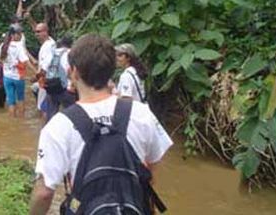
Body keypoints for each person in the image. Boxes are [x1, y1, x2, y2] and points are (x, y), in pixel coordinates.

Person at [29, 34, 172, 215]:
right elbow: (150, 169)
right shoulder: (142, 113)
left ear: (74, 72)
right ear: (111, 70)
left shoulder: (59, 125)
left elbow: (44, 192)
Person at [0, 24, 36, 117]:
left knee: (11, 102)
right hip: (18, 77)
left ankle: (12, 121)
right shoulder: (19, 46)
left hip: (7, 77)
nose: (20, 36)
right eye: (18, 34)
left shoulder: (4, 45)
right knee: (21, 99)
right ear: (13, 35)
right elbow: (25, 61)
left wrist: (4, 65)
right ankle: (21, 121)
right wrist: (36, 71)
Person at [45, 34, 75, 120]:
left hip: (51, 87)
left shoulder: (52, 52)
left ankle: (48, 131)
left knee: (50, 116)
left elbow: (43, 69)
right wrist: (73, 84)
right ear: (71, 44)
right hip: (66, 89)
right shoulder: (70, 53)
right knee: (71, 116)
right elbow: (70, 71)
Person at [33, 22, 56, 118]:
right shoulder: (51, 42)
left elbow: (44, 68)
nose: (36, 34)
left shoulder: (48, 47)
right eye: (35, 32)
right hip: (51, 80)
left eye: (38, 32)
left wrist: (35, 77)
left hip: (45, 80)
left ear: (45, 32)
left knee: (43, 107)